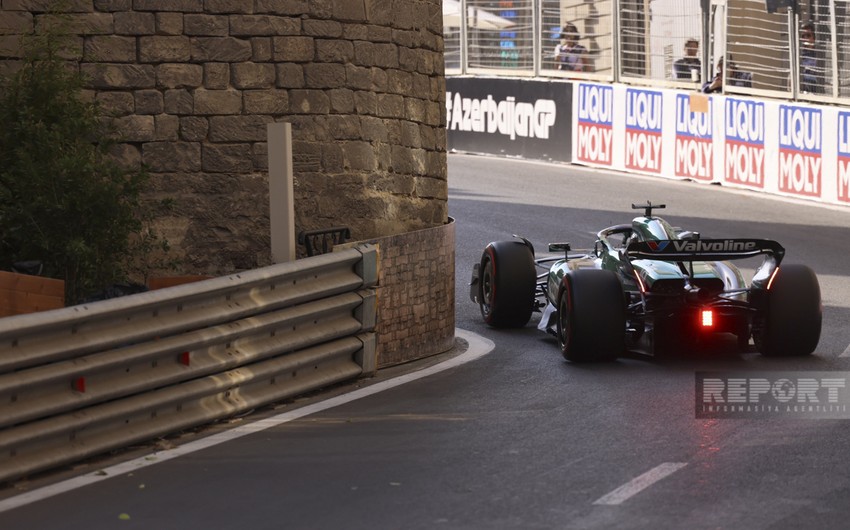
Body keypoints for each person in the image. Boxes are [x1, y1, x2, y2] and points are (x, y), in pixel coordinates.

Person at [799, 22, 824, 94]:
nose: (806, 38)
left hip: (817, 85)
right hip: (804, 84)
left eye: (808, 35)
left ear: (813, 37)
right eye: (803, 36)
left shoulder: (819, 52)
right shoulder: (800, 53)